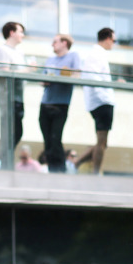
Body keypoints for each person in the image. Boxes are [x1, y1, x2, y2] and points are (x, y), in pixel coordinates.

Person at [75, 28, 116, 175]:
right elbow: (93, 78)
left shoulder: (97, 54)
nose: (114, 44)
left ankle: (80, 163)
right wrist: (103, 96)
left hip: (100, 100)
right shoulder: (96, 54)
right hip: (101, 101)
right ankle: (94, 172)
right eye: (114, 40)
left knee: (103, 141)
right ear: (107, 38)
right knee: (102, 140)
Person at [38, 34, 81, 174]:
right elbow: (42, 80)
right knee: (48, 141)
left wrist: (64, 76)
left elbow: (78, 76)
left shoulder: (73, 56)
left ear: (64, 43)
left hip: (60, 104)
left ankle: (60, 171)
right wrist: (46, 80)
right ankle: (52, 170)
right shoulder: (50, 60)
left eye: (55, 42)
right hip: (45, 104)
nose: (52, 45)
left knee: (56, 138)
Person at [0, 21, 28, 151]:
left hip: (18, 97)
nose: (22, 35)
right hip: (8, 98)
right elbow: (4, 73)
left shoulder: (19, 52)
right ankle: (3, 162)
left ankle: (5, 161)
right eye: (20, 32)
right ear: (12, 33)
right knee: (11, 133)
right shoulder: (3, 50)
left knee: (17, 132)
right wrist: (28, 71)